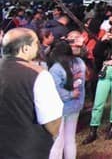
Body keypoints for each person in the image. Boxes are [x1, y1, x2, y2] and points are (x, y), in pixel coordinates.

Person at [0, 28, 63, 158]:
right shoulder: (38, 74)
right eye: (35, 43)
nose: (38, 47)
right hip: (27, 150)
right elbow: (52, 124)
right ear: (25, 48)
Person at [48, 41, 86, 159]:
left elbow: (56, 90)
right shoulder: (79, 63)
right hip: (76, 105)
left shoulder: (55, 69)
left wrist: (69, 94)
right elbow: (82, 82)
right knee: (70, 138)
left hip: (60, 107)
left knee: (58, 141)